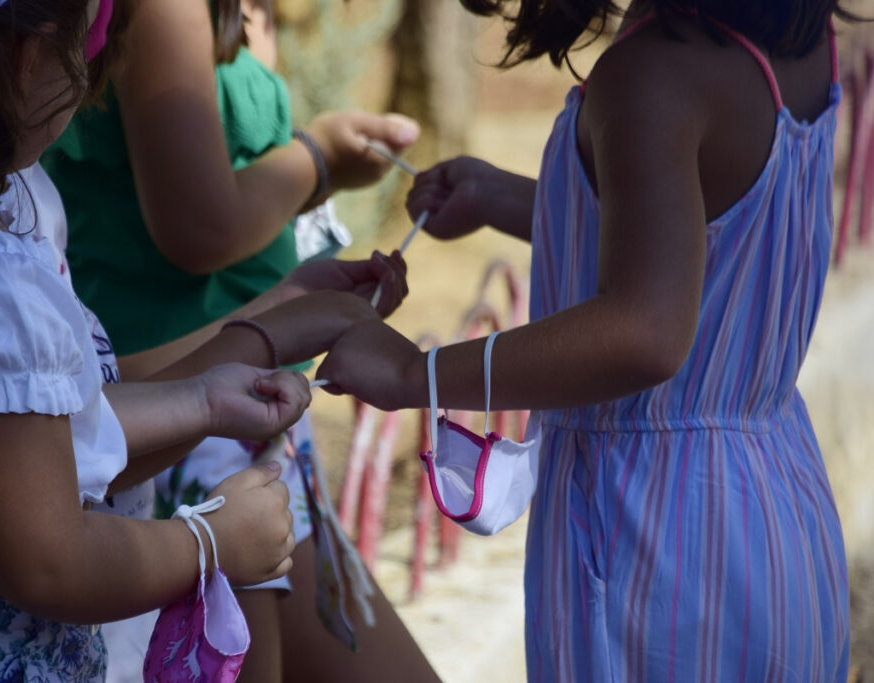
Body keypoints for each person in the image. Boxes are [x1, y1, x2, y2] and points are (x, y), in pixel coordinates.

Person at [317, 0, 853, 680]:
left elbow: (646, 331)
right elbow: (693, 232)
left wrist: (409, 373)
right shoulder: (787, 42)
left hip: (655, 546)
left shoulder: (652, 73)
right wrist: (501, 197)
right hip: (776, 511)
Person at [0, 2, 323, 680]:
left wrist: (203, 399)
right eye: (86, 49)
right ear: (24, 57)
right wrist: (211, 541)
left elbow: (41, 439)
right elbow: (49, 560)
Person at [41, 1, 440, 682]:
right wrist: (317, 158)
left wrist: (292, 304)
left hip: (244, 397)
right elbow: (198, 224)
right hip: (185, 421)